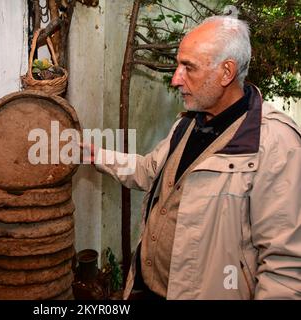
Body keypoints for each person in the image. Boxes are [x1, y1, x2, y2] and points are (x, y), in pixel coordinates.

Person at [87, 16, 301, 299]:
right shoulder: (187, 124)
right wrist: (94, 155)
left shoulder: (276, 144)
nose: (176, 78)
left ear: (226, 72)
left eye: (188, 67)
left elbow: (284, 269)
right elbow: (149, 170)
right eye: (178, 65)